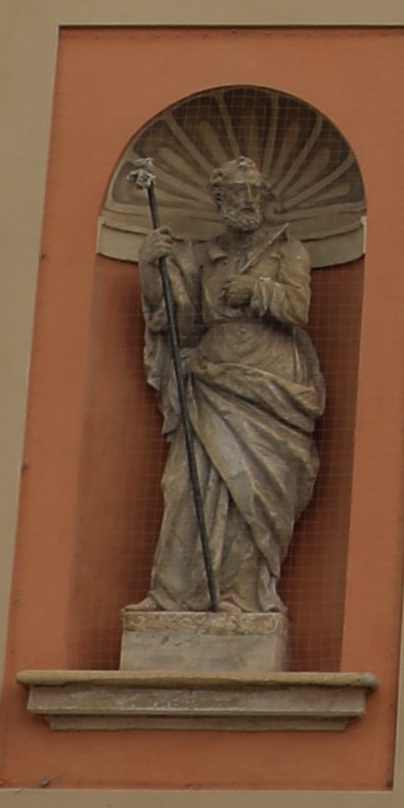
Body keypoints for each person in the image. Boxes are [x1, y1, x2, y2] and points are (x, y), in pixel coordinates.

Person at [131, 147, 327, 629]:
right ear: (219, 200)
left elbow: (298, 308)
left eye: (253, 193)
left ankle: (244, 594)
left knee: (252, 491)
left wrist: (255, 291)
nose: (246, 201)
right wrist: (154, 271)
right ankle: (173, 596)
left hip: (271, 381)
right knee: (184, 484)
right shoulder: (207, 256)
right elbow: (184, 322)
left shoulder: (288, 251)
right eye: (236, 194)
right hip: (212, 377)